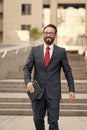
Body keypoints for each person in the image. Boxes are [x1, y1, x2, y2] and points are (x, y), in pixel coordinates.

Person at [23, 24, 75, 130]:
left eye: (51, 33)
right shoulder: (35, 50)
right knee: (37, 120)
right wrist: (28, 82)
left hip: (54, 92)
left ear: (55, 35)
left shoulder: (60, 52)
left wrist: (72, 89)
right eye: (46, 32)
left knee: (53, 122)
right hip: (36, 92)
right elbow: (26, 68)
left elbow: (68, 71)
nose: (48, 35)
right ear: (43, 34)